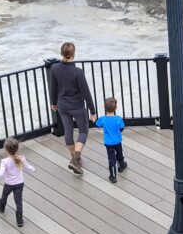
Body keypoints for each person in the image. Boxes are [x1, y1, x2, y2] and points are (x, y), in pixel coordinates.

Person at [49, 41, 97, 175]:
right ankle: (75, 160)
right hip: (77, 106)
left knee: (68, 133)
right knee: (83, 131)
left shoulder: (54, 68)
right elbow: (86, 93)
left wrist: (54, 103)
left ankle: (75, 159)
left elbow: (53, 88)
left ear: (62, 53)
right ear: (73, 54)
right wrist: (92, 111)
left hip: (62, 106)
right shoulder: (78, 72)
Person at [0, 137, 35, 227]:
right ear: (17, 148)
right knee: (18, 201)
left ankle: (2, 206)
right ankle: (19, 219)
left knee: (4, 196)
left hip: (8, 184)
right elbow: (28, 167)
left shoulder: (4, 161)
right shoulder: (21, 158)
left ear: (6, 149)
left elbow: (1, 174)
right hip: (19, 184)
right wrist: (33, 169)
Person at [96, 97, 128, 183]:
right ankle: (121, 166)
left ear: (104, 107)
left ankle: (113, 176)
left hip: (108, 142)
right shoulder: (118, 119)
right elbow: (121, 128)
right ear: (116, 108)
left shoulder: (103, 119)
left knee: (111, 157)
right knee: (120, 153)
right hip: (117, 141)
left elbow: (97, 124)